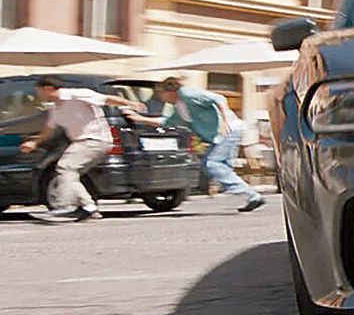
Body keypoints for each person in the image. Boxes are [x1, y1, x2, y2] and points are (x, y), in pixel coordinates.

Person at [126, 77, 265, 212]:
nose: (160, 97)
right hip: (219, 136)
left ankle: (251, 195)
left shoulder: (187, 93)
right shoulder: (179, 109)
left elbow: (219, 98)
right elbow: (166, 122)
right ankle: (250, 195)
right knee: (214, 165)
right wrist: (140, 119)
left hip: (229, 130)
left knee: (212, 164)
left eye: (161, 93)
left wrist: (225, 119)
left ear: (170, 91)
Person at [21, 77, 147, 222]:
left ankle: (66, 206)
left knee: (65, 167)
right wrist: (34, 143)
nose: (38, 96)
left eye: (39, 92)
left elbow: (106, 99)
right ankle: (88, 208)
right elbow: (49, 129)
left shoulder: (77, 94)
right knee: (71, 173)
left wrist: (130, 103)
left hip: (95, 140)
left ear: (48, 89)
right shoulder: (55, 108)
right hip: (84, 142)